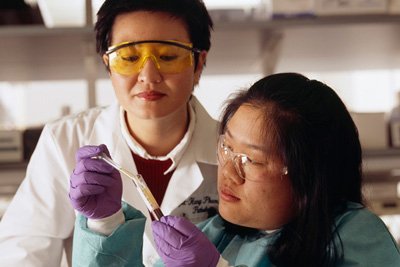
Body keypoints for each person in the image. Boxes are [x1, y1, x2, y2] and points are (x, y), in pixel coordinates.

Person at [70, 73, 400, 266]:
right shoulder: (216, 234)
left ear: (311, 175)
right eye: (226, 148)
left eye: (250, 160)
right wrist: (105, 221)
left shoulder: (355, 237)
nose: (228, 171)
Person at [0, 1, 219, 266]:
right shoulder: (65, 141)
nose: (148, 76)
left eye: (168, 56)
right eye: (128, 58)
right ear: (108, 64)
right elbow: (21, 253)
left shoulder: (235, 150)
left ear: (199, 63)